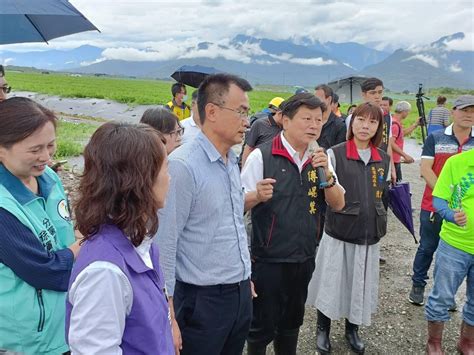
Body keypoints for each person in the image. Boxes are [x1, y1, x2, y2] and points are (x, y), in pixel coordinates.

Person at [156, 73, 254, 355]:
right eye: (241, 112)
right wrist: (169, 316)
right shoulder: (183, 167)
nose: (247, 121)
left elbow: (232, 224)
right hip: (202, 302)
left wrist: (244, 274)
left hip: (238, 293)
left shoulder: (231, 160)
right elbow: (165, 244)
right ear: (211, 111)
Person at [242, 93, 345, 355]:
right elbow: (235, 207)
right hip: (267, 259)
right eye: (306, 118)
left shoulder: (321, 158)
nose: (314, 125)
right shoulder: (261, 157)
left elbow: (338, 203)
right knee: (260, 325)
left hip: (304, 256)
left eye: (319, 119)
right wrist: (256, 195)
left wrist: (329, 178)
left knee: (291, 322)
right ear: (285, 121)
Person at [66, 122, 175, 354]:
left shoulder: (141, 244)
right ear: (139, 181)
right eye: (166, 169)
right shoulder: (105, 271)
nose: (170, 178)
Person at [0, 97, 80, 354]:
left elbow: (63, 233)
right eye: (35, 150)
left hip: (64, 326)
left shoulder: (49, 178)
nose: (45, 157)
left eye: (51, 145)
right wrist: (85, 244)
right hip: (27, 343)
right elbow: (47, 271)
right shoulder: (3, 207)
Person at [313, 102, 390, 354]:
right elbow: (325, 195)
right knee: (332, 280)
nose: (365, 126)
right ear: (351, 122)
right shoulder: (334, 153)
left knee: (360, 283)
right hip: (340, 231)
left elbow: (382, 196)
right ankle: (322, 328)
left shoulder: (383, 158)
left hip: (369, 234)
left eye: (372, 122)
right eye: (360, 120)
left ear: (379, 127)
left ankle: (352, 329)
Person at [409, 95, 474, 306]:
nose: (468, 115)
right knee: (428, 246)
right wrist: (445, 197)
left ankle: (444, 293)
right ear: (453, 111)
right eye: (464, 110)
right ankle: (418, 284)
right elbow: (425, 169)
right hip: (434, 205)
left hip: (464, 214)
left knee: (452, 254)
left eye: (473, 111)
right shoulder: (435, 137)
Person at [425, 148, 474, 354]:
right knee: (443, 296)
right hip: (455, 244)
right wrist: (451, 215)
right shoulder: (457, 163)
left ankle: (467, 342)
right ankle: (434, 343)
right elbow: (439, 200)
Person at [240, 96, 285, 167]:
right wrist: (244, 169)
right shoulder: (260, 124)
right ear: (279, 113)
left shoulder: (285, 128)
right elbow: (248, 148)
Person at [390, 101, 419, 181]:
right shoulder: (395, 125)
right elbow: (391, 143)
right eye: (408, 112)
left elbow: (402, 133)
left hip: (396, 160)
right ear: (404, 111)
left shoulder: (395, 121)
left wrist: (415, 125)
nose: (408, 114)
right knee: (397, 186)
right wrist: (405, 155)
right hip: (394, 161)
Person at [314, 84, 347, 150]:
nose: (315, 102)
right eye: (314, 99)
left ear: (329, 99)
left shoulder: (339, 125)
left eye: (318, 99)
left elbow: (339, 152)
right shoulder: (312, 122)